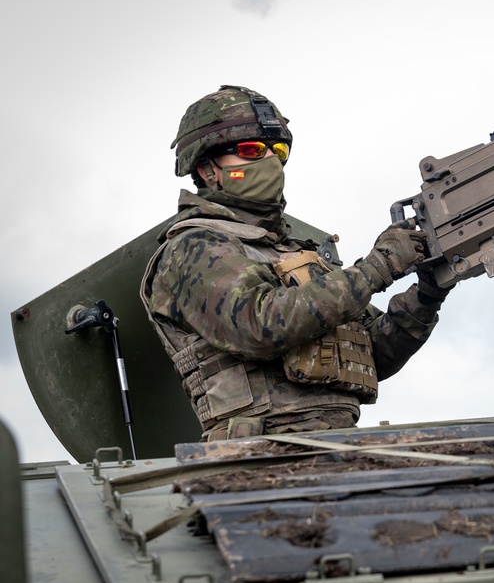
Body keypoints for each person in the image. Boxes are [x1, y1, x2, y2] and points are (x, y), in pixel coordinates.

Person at [142, 85, 449, 442]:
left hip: (335, 443)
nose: (270, 161)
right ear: (207, 169)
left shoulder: (295, 254)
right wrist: (377, 267)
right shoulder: (192, 247)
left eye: (278, 150)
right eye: (251, 150)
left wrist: (428, 292)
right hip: (258, 452)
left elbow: (375, 354)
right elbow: (260, 324)